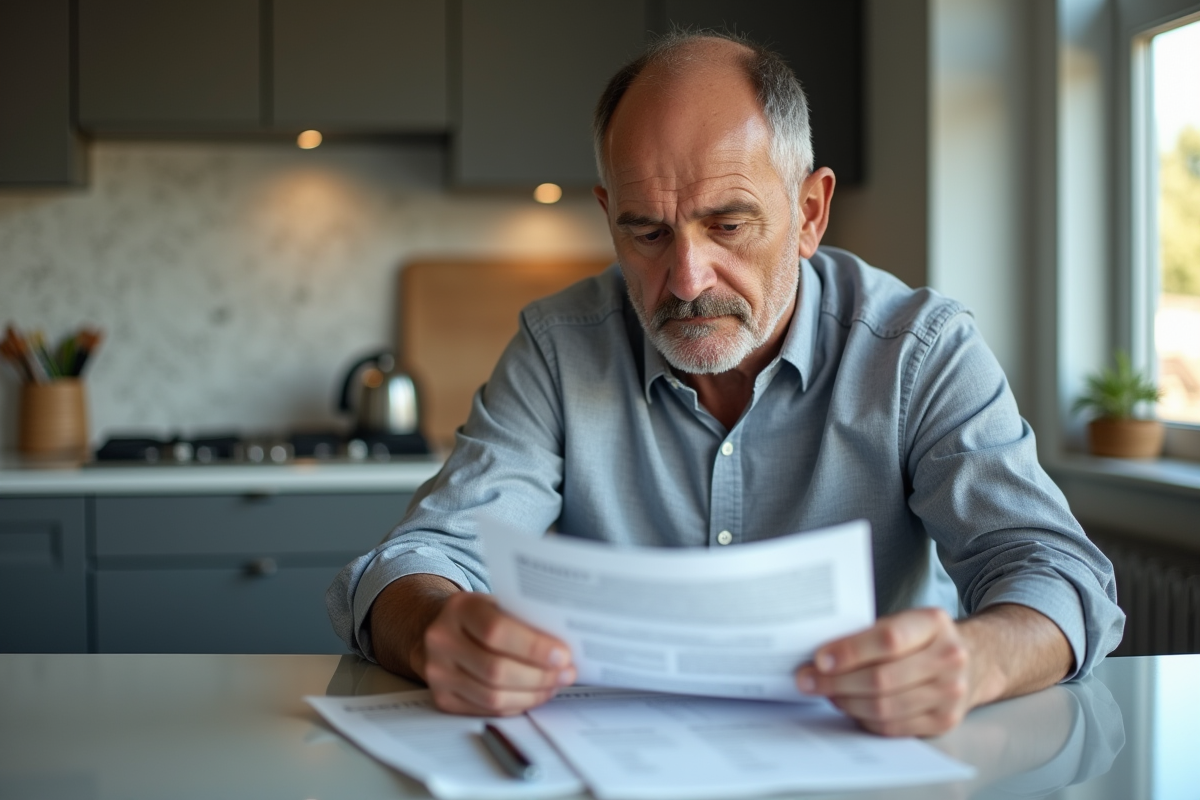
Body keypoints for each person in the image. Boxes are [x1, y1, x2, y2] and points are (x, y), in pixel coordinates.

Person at [327, 31, 1123, 737]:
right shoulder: (558, 347)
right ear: (608, 215)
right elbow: (420, 558)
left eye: (729, 225)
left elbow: (1056, 572)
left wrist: (976, 661)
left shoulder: (919, 349)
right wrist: (440, 630)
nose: (684, 279)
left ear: (810, 212)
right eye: (646, 231)